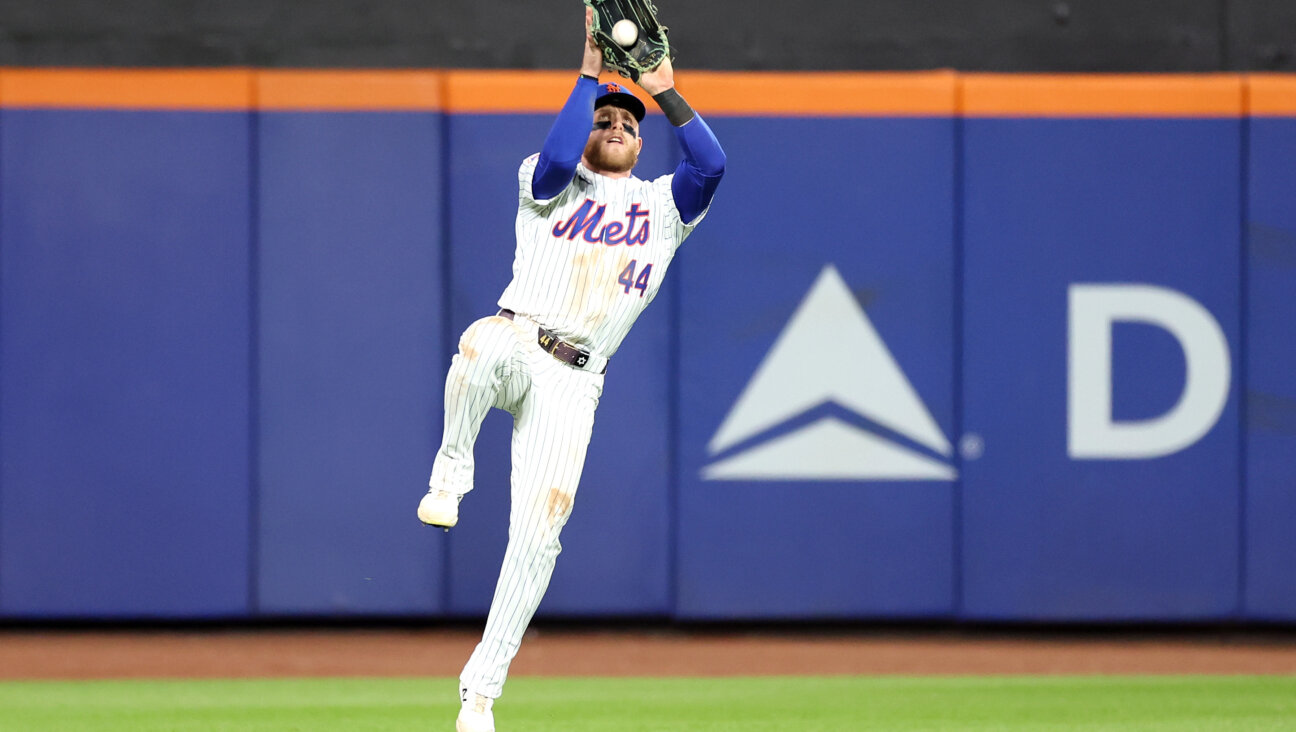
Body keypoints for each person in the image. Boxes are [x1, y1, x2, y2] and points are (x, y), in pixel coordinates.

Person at [416, 8, 724, 732]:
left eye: (628, 122)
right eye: (605, 120)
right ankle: (452, 468)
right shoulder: (547, 179)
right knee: (478, 345)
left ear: (643, 140)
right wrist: (589, 73)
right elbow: (558, 158)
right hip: (520, 340)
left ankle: (481, 695)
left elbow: (710, 164)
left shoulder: (662, 206)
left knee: (539, 538)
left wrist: (665, 89)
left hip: (575, 381)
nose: (616, 125)